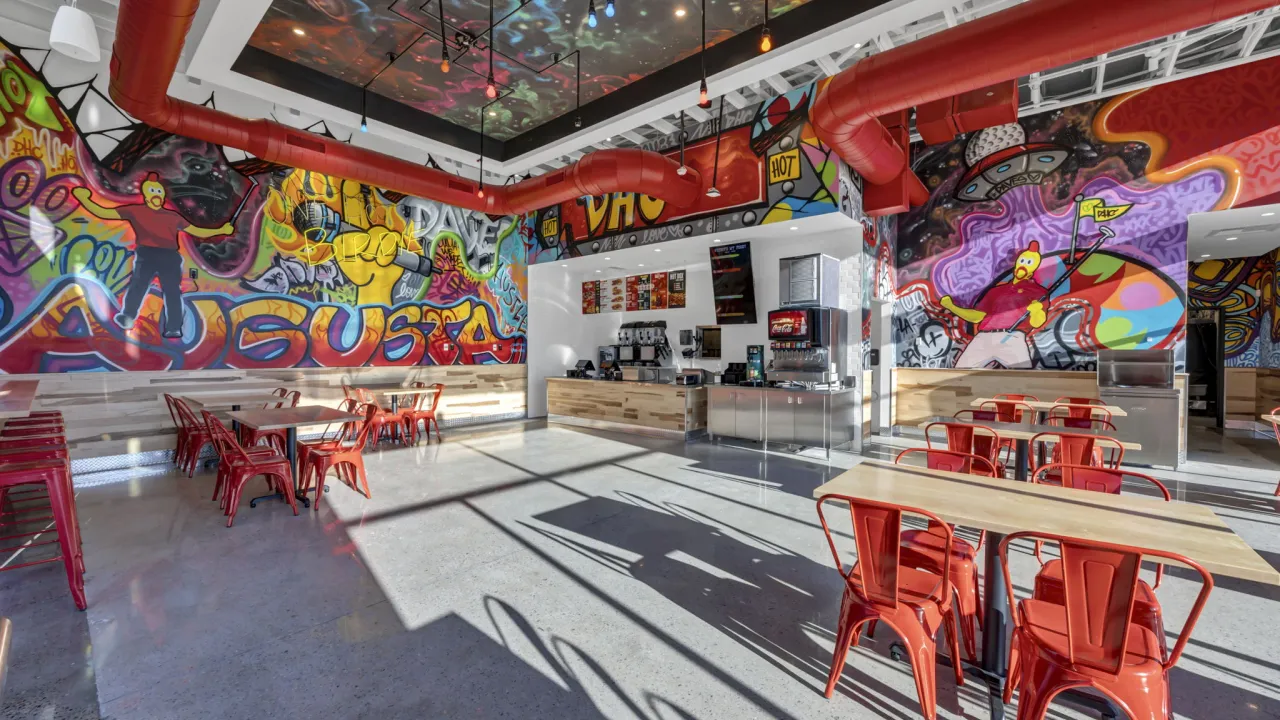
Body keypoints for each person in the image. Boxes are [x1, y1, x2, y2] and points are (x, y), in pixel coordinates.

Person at [72, 174, 234, 338]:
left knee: (172, 292)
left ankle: (173, 327)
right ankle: (127, 317)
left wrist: (220, 230)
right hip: (146, 254)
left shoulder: (172, 216)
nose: (156, 194)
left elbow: (197, 231)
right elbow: (103, 212)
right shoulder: (135, 210)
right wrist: (84, 199)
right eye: (152, 190)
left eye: (159, 191)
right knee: (138, 287)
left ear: (163, 195)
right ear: (146, 194)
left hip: (169, 257)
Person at [939, 240, 1049, 369]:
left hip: (1012, 338)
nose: (1023, 265)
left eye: (1029, 262)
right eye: (1022, 261)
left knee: (1022, 379)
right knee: (960, 375)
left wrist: (1037, 311)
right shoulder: (996, 290)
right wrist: (952, 307)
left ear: (1035, 266)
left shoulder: (1038, 292)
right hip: (983, 338)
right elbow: (977, 317)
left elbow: (1037, 323)